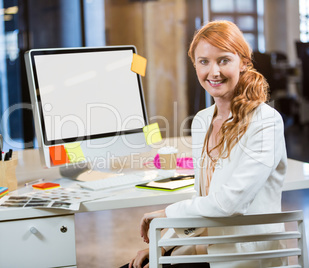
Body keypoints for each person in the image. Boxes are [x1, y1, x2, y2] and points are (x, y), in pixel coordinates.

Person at [123, 20, 288, 268]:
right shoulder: (202, 121)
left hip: (243, 257)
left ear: (243, 62)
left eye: (223, 60)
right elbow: (204, 201)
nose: (213, 72)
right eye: (204, 62)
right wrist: (163, 246)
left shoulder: (266, 121)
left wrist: (167, 213)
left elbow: (230, 202)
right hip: (206, 250)